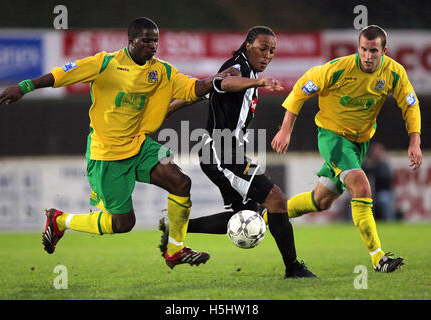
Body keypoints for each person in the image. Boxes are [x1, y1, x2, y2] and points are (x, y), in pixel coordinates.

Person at [0, 17, 238, 270]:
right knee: (123, 224)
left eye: (155, 41)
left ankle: (175, 250)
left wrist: (217, 79)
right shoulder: (105, 63)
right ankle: (59, 220)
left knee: (180, 182)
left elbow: (192, 87)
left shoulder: (162, 71)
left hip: (138, 145)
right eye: (146, 40)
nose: (152, 45)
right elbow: (61, 75)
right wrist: (24, 87)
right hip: (107, 154)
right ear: (131, 41)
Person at [160, 26, 316, 278]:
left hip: (225, 151)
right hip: (221, 152)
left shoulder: (247, 70)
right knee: (276, 200)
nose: (267, 55)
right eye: (262, 48)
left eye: (272, 51)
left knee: (248, 213)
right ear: (248, 46)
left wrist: (165, 111)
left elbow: (202, 91)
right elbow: (225, 82)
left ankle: (175, 228)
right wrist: (260, 81)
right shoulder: (239, 68)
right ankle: (293, 268)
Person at [271, 25, 422, 273]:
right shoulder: (338, 69)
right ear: (358, 48)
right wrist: (285, 129)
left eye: (374, 50)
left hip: (359, 143)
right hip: (332, 137)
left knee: (321, 201)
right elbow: (300, 89)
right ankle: (378, 257)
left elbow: (410, 105)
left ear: (384, 51)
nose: (367, 55)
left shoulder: (394, 72)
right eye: (363, 49)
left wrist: (414, 141)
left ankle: (265, 217)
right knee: (361, 186)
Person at [362, 142, 395, 221]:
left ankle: (389, 222)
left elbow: (386, 177)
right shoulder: (368, 164)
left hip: (382, 192)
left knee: (384, 200)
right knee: (355, 202)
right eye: (375, 151)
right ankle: (356, 223)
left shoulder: (384, 165)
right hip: (369, 193)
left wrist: (373, 168)